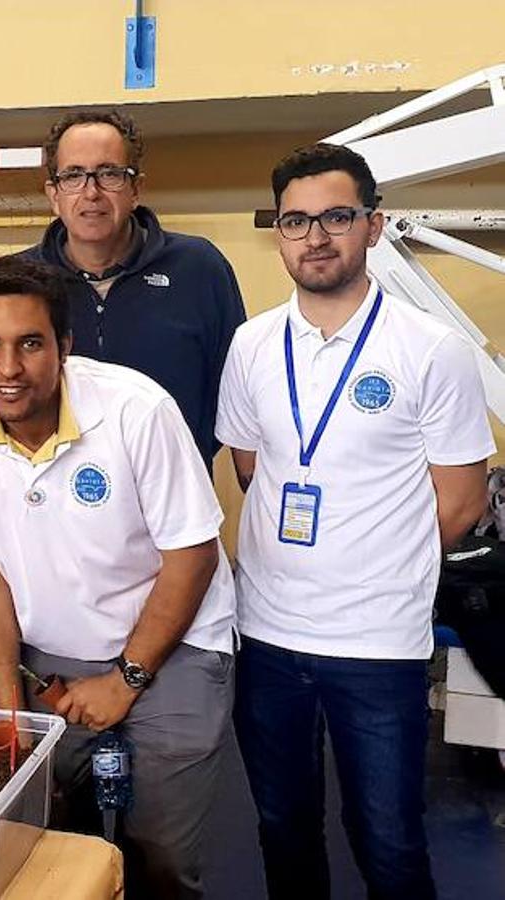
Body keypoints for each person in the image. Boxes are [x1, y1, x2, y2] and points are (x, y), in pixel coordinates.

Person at [215, 143, 493, 900]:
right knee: (282, 828)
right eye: (295, 220)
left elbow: (463, 500)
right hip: (267, 634)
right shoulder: (251, 345)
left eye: (336, 217)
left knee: (389, 843)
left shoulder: (432, 349)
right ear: (278, 232)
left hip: (378, 642)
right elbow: (251, 465)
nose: (315, 237)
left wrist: (379, 563)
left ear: (372, 225)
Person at [0, 255, 236, 900]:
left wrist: (126, 680)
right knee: (54, 848)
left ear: (63, 346)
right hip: (52, 654)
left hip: (175, 644)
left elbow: (193, 556)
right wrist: (13, 713)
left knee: (162, 860)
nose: (8, 368)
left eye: (30, 343)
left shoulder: (136, 410)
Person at [16, 110, 246, 467]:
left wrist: (174, 461)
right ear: (53, 194)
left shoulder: (199, 268)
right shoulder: (19, 280)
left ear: (136, 188)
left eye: (109, 174)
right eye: (73, 175)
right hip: (52, 492)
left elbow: (233, 396)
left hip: (173, 492)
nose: (91, 192)